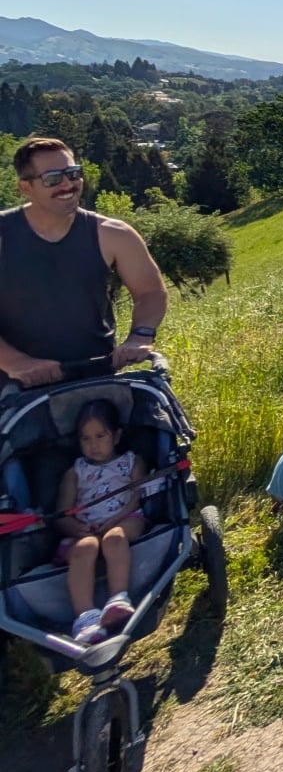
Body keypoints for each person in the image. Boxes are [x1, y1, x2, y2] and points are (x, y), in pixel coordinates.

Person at [0, 137, 168, 387]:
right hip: (12, 386)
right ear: (26, 188)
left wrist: (139, 336)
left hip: (95, 379)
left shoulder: (114, 234)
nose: (67, 184)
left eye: (73, 173)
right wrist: (15, 363)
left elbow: (151, 291)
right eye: (53, 178)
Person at [56, 400, 149, 644]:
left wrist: (114, 520)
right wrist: (76, 528)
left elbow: (137, 497)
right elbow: (62, 514)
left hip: (125, 518)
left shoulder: (131, 462)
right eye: (85, 439)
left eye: (100, 436)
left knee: (115, 537)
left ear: (116, 436)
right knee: (85, 548)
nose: (93, 444)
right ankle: (85, 617)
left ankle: (118, 598)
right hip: (87, 531)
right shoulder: (74, 472)